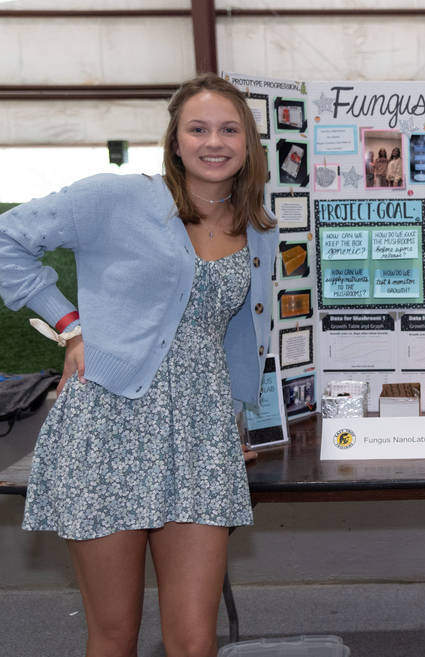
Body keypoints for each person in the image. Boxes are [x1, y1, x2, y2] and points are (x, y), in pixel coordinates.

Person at [0, 73, 277, 657]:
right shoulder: (116, 198)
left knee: (194, 641)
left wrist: (234, 418)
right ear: (174, 141)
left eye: (230, 129)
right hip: (108, 431)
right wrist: (69, 325)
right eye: (197, 128)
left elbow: (230, 336)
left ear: (249, 143)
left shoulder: (257, 227)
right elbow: (8, 239)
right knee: (114, 634)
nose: (214, 142)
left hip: (201, 441)